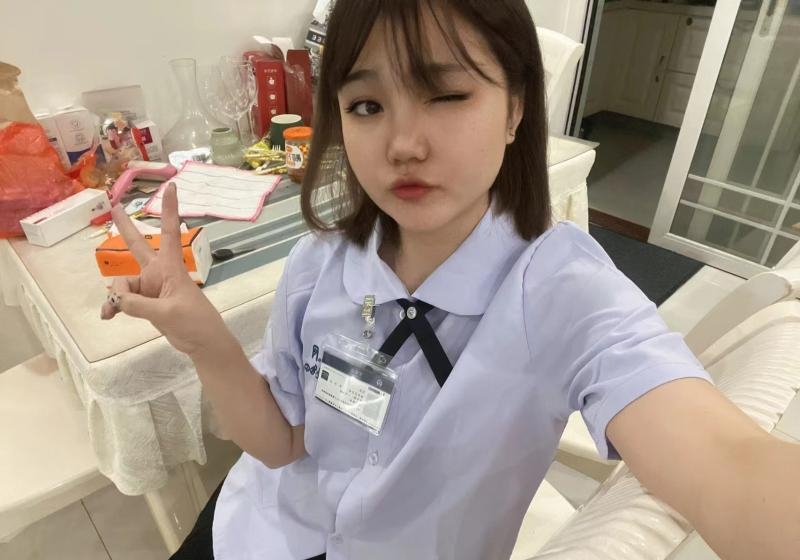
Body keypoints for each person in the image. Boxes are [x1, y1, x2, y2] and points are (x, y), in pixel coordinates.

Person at [100, 0, 800, 558]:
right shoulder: (321, 264)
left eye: (446, 94)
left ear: (516, 107)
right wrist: (206, 341)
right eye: (367, 106)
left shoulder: (563, 293)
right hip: (256, 531)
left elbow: (728, 461)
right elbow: (282, 446)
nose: (404, 145)